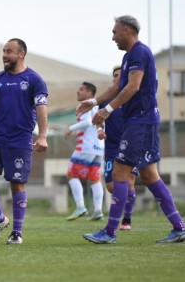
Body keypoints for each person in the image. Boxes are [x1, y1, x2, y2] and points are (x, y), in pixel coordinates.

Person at [79, 15, 185, 244]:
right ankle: (179, 226)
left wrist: (107, 110)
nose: (113, 37)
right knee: (148, 174)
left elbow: (133, 87)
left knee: (119, 173)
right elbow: (117, 87)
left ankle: (110, 231)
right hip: (143, 122)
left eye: (115, 32)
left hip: (141, 122)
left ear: (127, 31)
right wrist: (94, 102)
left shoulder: (139, 52)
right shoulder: (129, 56)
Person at [0, 38, 48, 245]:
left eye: (9, 51)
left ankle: (17, 232)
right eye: (3, 51)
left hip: (20, 138)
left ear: (21, 54)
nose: (4, 55)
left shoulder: (34, 79)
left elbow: (41, 109)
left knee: (17, 184)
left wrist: (42, 136)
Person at [97, 66, 138, 231]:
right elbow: (99, 119)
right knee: (110, 186)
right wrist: (100, 130)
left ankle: (126, 219)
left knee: (130, 182)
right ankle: (119, 213)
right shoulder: (106, 99)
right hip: (111, 146)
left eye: (119, 75)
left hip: (130, 144)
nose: (116, 78)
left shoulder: (133, 97)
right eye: (114, 75)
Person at [65, 82, 105, 221]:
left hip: (86, 147)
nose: (78, 91)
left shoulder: (85, 106)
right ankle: (98, 210)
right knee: (94, 179)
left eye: (81, 89)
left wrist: (71, 128)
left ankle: (81, 207)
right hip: (99, 148)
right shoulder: (97, 107)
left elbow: (87, 122)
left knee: (71, 175)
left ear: (89, 93)